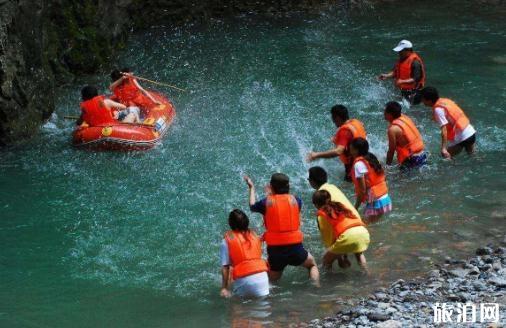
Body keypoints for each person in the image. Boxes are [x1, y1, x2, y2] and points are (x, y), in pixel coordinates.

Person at [244, 173, 319, 284]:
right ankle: (316, 286)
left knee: (272, 281)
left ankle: (270, 299)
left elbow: (252, 205)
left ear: (271, 187)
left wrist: (252, 187)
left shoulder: (266, 202)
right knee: (311, 264)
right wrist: (273, 192)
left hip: (276, 251)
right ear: (288, 187)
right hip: (295, 248)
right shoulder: (297, 201)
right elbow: (284, 208)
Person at [312, 190, 369, 271]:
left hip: (348, 237)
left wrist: (339, 258)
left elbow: (330, 241)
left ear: (316, 205)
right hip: (363, 233)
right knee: (358, 253)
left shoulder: (322, 216)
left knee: (326, 261)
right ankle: (366, 272)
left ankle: (330, 281)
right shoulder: (339, 206)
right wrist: (342, 257)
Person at [307, 105, 367, 182]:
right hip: (364, 160)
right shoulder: (356, 122)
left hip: (353, 167)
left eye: (333, 118)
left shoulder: (344, 131)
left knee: (347, 188)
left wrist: (316, 155)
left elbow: (338, 151)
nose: (333, 121)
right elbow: (357, 132)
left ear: (337, 118)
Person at [219, 209, 270, 298]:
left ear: (230, 223)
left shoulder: (226, 241)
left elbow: (225, 267)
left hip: (245, 282)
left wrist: (224, 288)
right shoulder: (255, 235)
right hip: (263, 280)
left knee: (237, 308)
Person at [420, 87, 476, 159]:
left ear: (429, 100)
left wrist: (443, 148)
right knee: (473, 156)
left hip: (463, 138)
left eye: (423, 99)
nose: (422, 101)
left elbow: (444, 130)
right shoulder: (445, 101)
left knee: (444, 157)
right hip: (471, 133)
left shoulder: (438, 110)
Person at [349, 138, 392, 224]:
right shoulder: (371, 158)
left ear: (356, 151)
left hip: (376, 201)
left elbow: (362, 190)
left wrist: (355, 207)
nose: (350, 151)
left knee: (364, 226)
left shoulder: (358, 165)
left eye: (351, 149)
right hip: (385, 198)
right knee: (370, 225)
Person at [379, 40, 426, 105]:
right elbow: (395, 72)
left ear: (408, 50)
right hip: (404, 91)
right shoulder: (401, 60)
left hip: (415, 93)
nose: (399, 53)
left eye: (401, 51)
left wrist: (402, 81)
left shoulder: (415, 62)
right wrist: (387, 76)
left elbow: (416, 79)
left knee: (410, 110)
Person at [384, 101, 427, 170]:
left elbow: (391, 151)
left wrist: (387, 167)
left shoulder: (392, 130)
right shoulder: (405, 118)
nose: (384, 114)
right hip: (423, 155)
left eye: (385, 112)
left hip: (412, 160)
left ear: (390, 115)